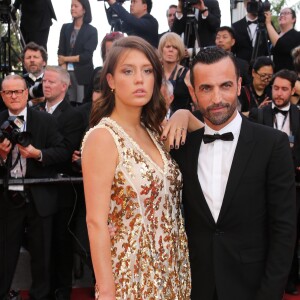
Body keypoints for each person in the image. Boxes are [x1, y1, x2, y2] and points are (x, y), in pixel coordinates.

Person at [165, 47, 296, 299]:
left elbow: (284, 230)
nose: (217, 98)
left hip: (252, 287)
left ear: (238, 86)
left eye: (225, 86)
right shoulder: (181, 147)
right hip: (195, 287)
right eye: (206, 88)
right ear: (192, 92)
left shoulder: (272, 144)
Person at [81, 36, 191, 299]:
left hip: (171, 269)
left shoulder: (153, 132)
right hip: (130, 276)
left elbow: (206, 130)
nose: (140, 79)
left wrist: (183, 114)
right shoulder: (103, 137)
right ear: (111, 81)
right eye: (128, 71)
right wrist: (106, 291)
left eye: (147, 70)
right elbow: (95, 222)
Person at [0, 75, 69, 300]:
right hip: (8, 196)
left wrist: (37, 154)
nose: (14, 96)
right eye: (8, 92)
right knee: (5, 253)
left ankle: (41, 296)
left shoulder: (45, 121)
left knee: (42, 254)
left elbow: (63, 151)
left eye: (18, 91)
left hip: (40, 195)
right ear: (2, 96)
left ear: (26, 92)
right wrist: (1, 156)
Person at [248, 69, 300, 295]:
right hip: (262, 181)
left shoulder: (299, 114)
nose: (278, 94)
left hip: (294, 183)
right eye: (276, 88)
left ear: (292, 90)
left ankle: (290, 276)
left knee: (290, 230)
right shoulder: (260, 114)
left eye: (284, 89)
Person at [36, 66, 85, 300]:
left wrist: (39, 155)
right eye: (45, 81)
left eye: (52, 82)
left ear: (64, 86)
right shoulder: (34, 111)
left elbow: (67, 151)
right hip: (37, 189)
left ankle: (62, 292)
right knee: (41, 246)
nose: (46, 85)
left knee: (62, 244)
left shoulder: (73, 115)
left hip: (64, 192)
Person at [58, 0, 98, 106]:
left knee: (81, 105)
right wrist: (64, 76)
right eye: (71, 6)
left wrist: (65, 59)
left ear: (84, 9)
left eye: (76, 6)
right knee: (67, 105)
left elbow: (86, 56)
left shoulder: (92, 31)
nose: (72, 8)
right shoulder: (65, 28)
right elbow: (60, 52)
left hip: (83, 74)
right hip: (66, 73)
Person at [158, 32, 193, 114]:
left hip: (182, 122)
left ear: (179, 51)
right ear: (162, 49)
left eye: (175, 47)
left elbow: (196, 102)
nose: (171, 50)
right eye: (167, 46)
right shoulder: (155, 73)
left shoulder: (188, 74)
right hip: (157, 120)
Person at [265, 7, 300, 72]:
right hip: (273, 76)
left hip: (288, 76)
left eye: (286, 13)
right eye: (280, 14)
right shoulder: (275, 35)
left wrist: (268, 23)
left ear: (293, 19)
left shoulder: (297, 35)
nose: (282, 15)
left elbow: (281, 45)